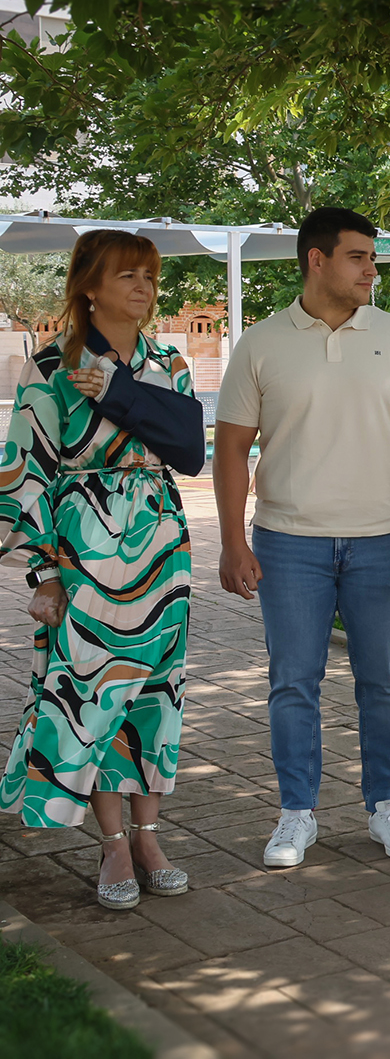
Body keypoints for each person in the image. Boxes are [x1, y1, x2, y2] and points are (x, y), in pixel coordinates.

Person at [215, 207, 390, 869]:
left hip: (385, 538)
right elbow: (231, 448)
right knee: (293, 682)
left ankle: (387, 805)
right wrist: (234, 542)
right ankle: (296, 813)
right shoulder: (261, 342)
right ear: (317, 260)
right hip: (289, 543)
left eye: (373, 258)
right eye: (359, 257)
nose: (372, 269)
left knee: (386, 681)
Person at [0, 230, 205, 909]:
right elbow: (24, 474)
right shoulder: (52, 365)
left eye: (149, 275)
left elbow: (189, 450)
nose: (144, 287)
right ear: (90, 285)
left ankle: (150, 836)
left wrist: (122, 391)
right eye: (128, 275)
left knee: (154, 695)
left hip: (163, 550)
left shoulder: (167, 359)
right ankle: (114, 843)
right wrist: (44, 576)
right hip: (86, 552)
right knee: (94, 697)